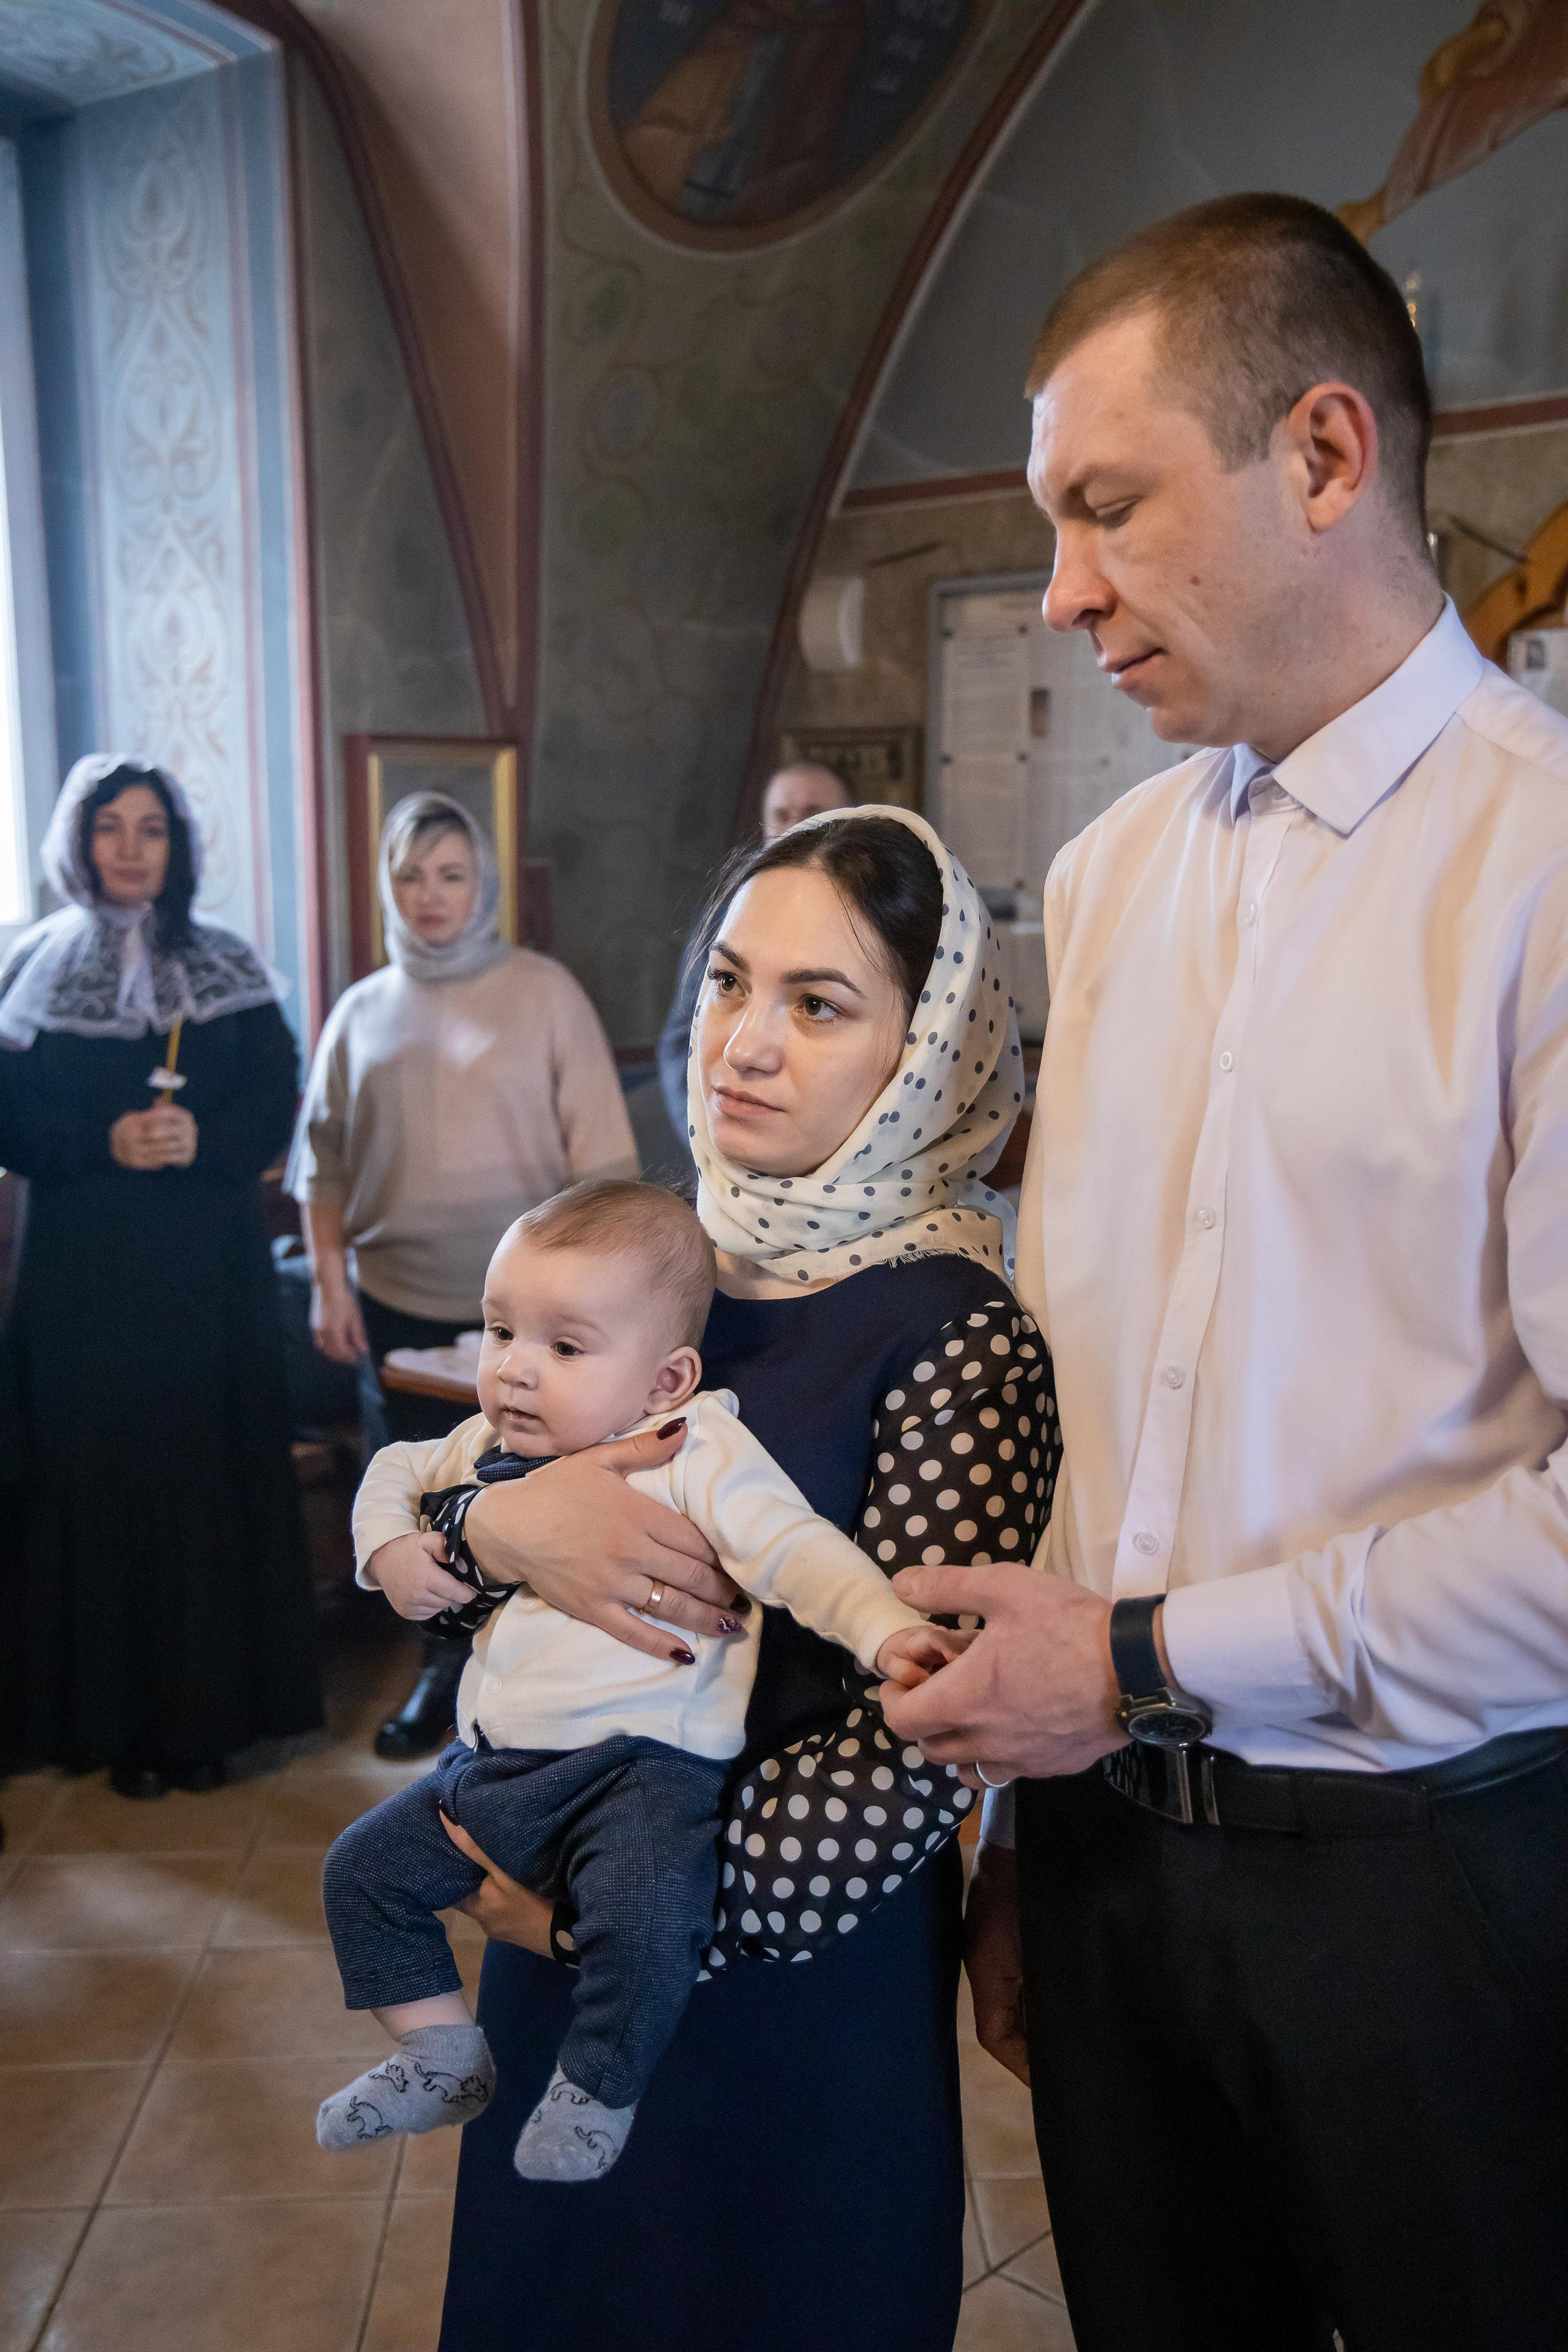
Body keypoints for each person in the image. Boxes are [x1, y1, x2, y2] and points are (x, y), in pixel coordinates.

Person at [881, 194, 1568, 2352]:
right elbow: (1095, 1392)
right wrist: (1025, 1823)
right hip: (1104, 1859)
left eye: (1107, 507)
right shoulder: (1106, 880)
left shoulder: (1543, 864)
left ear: (1326, 456)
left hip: (1429, 1872)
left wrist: (1144, 1662)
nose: (1062, 589)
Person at [371, 807, 1050, 2350]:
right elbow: (473, 1506)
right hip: (557, 1907)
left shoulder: (957, 1330)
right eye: (731, 982)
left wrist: (614, 1921)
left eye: (818, 1005)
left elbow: (925, 1732)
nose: (743, 1041)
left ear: (925, 1050)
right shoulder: (661, 1260)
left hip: (770, 1972)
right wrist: (497, 1533)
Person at [316, 1178, 959, 2177]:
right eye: (500, 1332)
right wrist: (389, 1552)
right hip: (492, 1767)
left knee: (649, 1914)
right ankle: (441, 2055)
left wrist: (885, 1633)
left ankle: (598, 2091)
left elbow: (794, 1549)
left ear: (666, 1380)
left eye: (565, 1347)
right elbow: (395, 1468)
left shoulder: (695, 1451)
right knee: (359, 1871)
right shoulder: (485, 1446)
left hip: (640, 1773)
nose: (514, 1369)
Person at [288, 791, 636, 1760]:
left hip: (529, 1313)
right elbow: (320, 1167)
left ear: (484, 883)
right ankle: (441, 1672)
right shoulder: (360, 1011)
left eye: (451, 874)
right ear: (386, 888)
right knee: (421, 1494)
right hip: (395, 1298)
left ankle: (533, 1684)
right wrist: (327, 1282)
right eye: (410, 875)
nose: (430, 895)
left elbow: (604, 1165)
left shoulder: (546, 993)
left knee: (524, 1491)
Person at [0, 756, 320, 1798]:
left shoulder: (226, 964)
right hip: (82, 1279)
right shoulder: (34, 966)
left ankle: (208, 1720)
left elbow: (275, 1095)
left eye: (152, 828)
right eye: (111, 828)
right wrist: (103, 1138)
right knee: (97, 1482)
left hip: (204, 1277)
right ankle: (110, 1720)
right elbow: (9, 1115)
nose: (132, 848)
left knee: (199, 1482)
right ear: (78, 842)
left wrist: (201, 1140)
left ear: (178, 846)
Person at [656, 761, 851, 1156]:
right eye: (781, 815)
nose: (795, 827)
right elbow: (682, 1036)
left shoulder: (873, 918)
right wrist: (706, 1137)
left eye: (812, 813)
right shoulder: (729, 911)